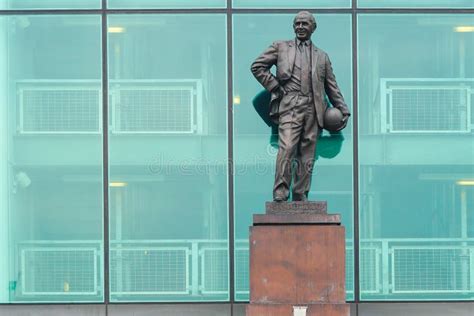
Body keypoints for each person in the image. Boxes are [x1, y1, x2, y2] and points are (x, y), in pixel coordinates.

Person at [251, 11, 350, 202]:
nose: (300, 27)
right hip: (290, 104)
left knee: (308, 152)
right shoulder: (280, 47)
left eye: (305, 24)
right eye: (297, 24)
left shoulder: (322, 56)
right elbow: (257, 66)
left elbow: (332, 86)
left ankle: (300, 193)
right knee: (287, 147)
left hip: (313, 107)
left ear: (313, 28)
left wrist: (343, 109)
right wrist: (274, 87)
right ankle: (280, 191)